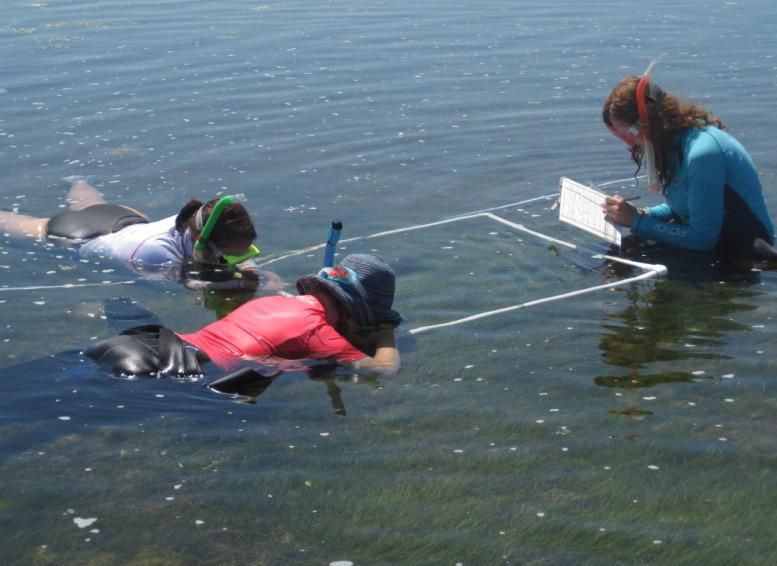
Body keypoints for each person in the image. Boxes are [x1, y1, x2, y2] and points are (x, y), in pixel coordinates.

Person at [85, 253, 402, 379]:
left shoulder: (273, 302)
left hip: (145, 340)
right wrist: (385, 334)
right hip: (173, 365)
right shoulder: (319, 333)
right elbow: (383, 369)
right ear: (352, 311)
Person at [601, 71, 777, 260]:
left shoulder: (702, 154)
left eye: (627, 135)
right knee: (618, 253)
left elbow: (703, 239)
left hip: (744, 252)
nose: (629, 145)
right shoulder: (674, 145)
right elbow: (681, 207)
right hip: (713, 240)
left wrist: (637, 222)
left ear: (647, 123)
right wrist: (642, 214)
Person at [0, 178, 274, 288]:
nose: (238, 259)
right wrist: (248, 284)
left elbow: (226, 257)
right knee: (28, 226)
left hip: (122, 217)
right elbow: (181, 286)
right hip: (78, 235)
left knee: (89, 204)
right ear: (201, 243)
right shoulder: (158, 255)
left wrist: (255, 270)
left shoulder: (192, 220)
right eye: (224, 255)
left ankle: (77, 181)